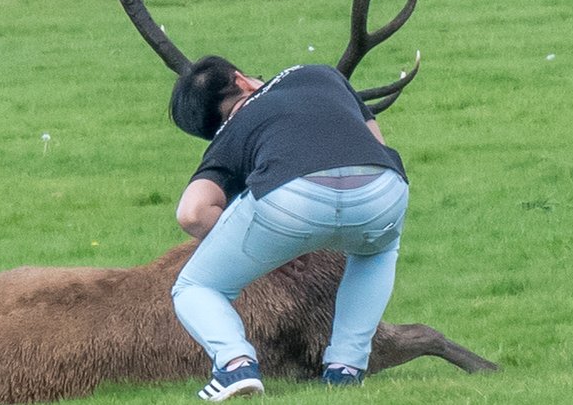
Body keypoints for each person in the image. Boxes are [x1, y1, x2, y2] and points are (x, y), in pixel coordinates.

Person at [169, 55, 409, 401]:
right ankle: (346, 368)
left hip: (291, 200)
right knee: (377, 251)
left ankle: (235, 364)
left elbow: (192, 213)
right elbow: (376, 143)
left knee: (195, 287)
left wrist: (269, 253)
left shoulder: (231, 131)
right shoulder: (321, 75)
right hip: (382, 189)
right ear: (242, 80)